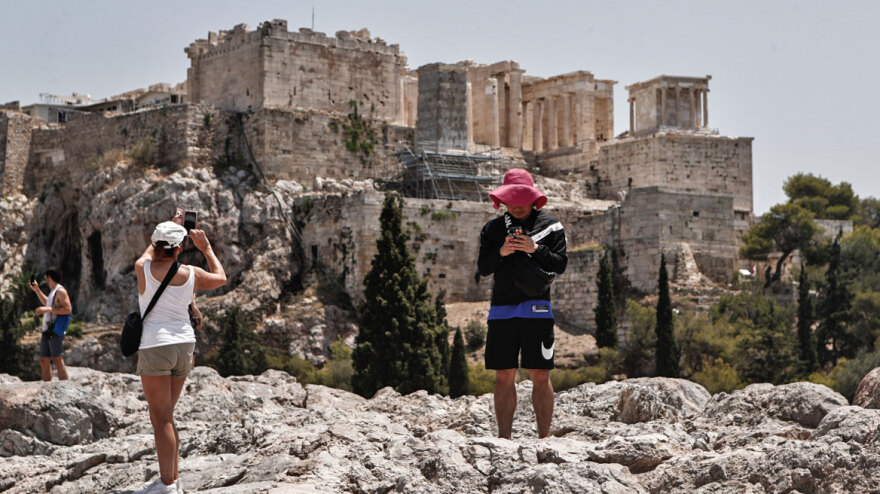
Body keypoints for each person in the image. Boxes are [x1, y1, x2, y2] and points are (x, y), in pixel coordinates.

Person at [133, 221, 226, 494]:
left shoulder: (144, 269)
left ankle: (167, 486)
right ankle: (172, 477)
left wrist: (165, 231)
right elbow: (220, 277)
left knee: (160, 418)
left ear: (155, 244)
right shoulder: (192, 273)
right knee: (167, 415)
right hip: (185, 345)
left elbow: (146, 255)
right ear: (181, 247)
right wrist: (206, 248)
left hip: (155, 346)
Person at [477, 168, 567, 439]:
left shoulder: (552, 227)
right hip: (502, 310)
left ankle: (544, 438)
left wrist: (534, 249)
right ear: (503, 201)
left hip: (537, 309)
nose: (516, 206)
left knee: (540, 373)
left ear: (533, 199)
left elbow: (561, 264)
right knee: (504, 374)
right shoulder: (492, 229)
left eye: (522, 199)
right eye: (511, 200)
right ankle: (504, 439)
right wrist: (502, 252)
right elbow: (483, 268)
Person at [29, 267, 72, 381]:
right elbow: (48, 303)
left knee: (57, 358)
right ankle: (47, 387)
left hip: (55, 330)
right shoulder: (53, 292)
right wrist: (37, 290)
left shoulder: (61, 291)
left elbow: (67, 309)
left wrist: (46, 310)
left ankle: (65, 386)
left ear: (49, 277)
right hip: (47, 330)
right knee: (44, 360)